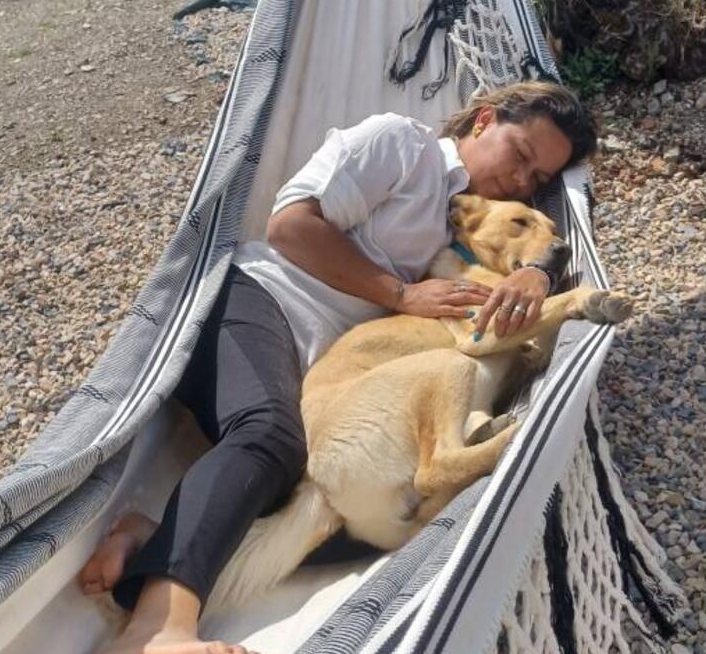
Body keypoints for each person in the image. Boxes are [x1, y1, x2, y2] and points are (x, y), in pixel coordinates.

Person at [78, 81, 597, 654]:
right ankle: (156, 629)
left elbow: (532, 246)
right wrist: (400, 294)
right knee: (269, 435)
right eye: (520, 154)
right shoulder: (404, 147)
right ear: (483, 121)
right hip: (259, 301)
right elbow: (290, 226)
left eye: (537, 178)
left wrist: (539, 274)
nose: (521, 180)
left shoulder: (474, 218)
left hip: (318, 375)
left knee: (360, 507)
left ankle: (150, 545)